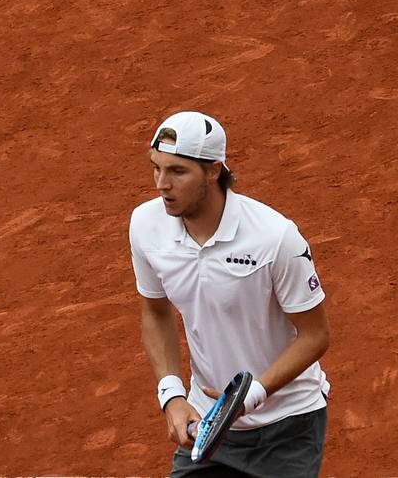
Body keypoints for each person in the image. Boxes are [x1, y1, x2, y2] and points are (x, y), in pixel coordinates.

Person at [128, 111, 330, 477]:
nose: (161, 184)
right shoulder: (145, 226)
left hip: (288, 427)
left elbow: (315, 335)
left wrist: (249, 396)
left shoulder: (275, 237)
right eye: (156, 168)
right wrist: (172, 395)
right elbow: (155, 311)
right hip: (209, 424)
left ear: (213, 170)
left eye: (177, 171)